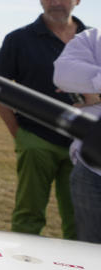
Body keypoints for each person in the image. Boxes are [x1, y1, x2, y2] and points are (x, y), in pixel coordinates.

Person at [0, 0, 88, 240]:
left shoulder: (94, 40)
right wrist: (21, 135)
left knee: (83, 218)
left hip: (85, 145)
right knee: (29, 215)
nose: (55, 2)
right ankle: (21, 269)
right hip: (37, 140)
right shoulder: (19, 39)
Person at [53, 27, 101, 243]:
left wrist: (95, 93)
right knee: (89, 255)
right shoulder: (93, 38)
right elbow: (63, 74)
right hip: (90, 172)